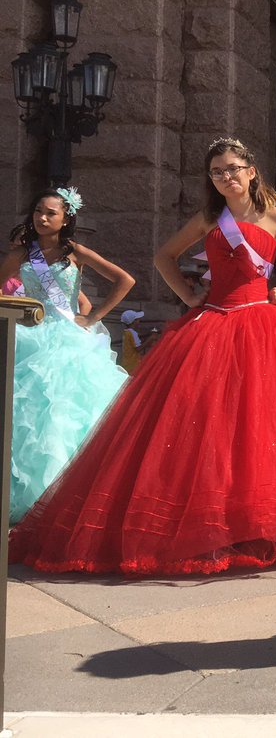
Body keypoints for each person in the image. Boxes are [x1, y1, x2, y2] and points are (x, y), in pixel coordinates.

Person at [10, 138, 276, 575]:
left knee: (265, 423)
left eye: (232, 169)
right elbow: (163, 257)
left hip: (264, 324)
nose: (226, 177)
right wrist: (189, 295)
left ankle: (267, 514)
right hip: (212, 322)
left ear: (251, 171)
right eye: (216, 172)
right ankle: (218, 517)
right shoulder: (209, 218)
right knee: (207, 426)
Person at [0, 187, 133, 522]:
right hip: (29, 336)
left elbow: (124, 280)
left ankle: (67, 495)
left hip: (68, 338)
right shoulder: (21, 254)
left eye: (51, 213)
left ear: (66, 218)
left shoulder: (75, 252)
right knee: (27, 414)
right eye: (38, 211)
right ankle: (27, 495)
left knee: (65, 414)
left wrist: (93, 316)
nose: (43, 218)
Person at [119, 308, 145, 375]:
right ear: (134, 321)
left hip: (126, 363)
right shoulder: (133, 333)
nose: (139, 321)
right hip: (133, 365)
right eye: (138, 319)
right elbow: (138, 349)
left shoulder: (126, 332)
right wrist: (151, 339)